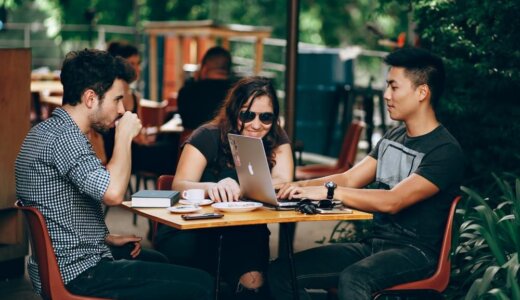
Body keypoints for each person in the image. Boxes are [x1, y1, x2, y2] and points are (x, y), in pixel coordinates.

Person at [15, 49, 214, 300]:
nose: (121, 110)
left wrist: (105, 238)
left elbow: (57, 207)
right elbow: (113, 193)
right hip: (79, 273)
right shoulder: (66, 138)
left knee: (158, 258)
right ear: (90, 98)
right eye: (117, 99)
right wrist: (123, 137)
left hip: (65, 264)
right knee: (202, 284)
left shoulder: (47, 131)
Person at [270, 48, 465, 300]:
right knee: (281, 271)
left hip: (416, 253)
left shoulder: (444, 151)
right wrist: (295, 186)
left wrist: (329, 191)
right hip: (374, 245)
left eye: (394, 87)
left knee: (354, 278)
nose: (386, 95)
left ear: (422, 92)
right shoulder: (392, 137)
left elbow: (393, 201)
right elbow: (350, 178)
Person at [155, 76, 294, 299]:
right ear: (233, 111)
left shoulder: (275, 137)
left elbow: (283, 181)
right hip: (196, 229)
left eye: (266, 117)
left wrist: (243, 186)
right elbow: (179, 185)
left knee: (254, 287)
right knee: (202, 285)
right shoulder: (207, 135)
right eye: (247, 115)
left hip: (244, 231)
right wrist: (212, 187)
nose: (256, 125)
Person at [177, 46, 234, 130]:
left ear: (204, 68)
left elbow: (186, 124)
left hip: (193, 142)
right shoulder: (237, 92)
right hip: (227, 142)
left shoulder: (187, 92)